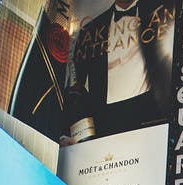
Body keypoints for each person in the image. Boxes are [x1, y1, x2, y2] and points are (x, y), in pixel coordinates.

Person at [63, 0, 173, 143]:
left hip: (150, 110)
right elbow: (76, 86)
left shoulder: (161, 13)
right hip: (106, 118)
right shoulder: (90, 30)